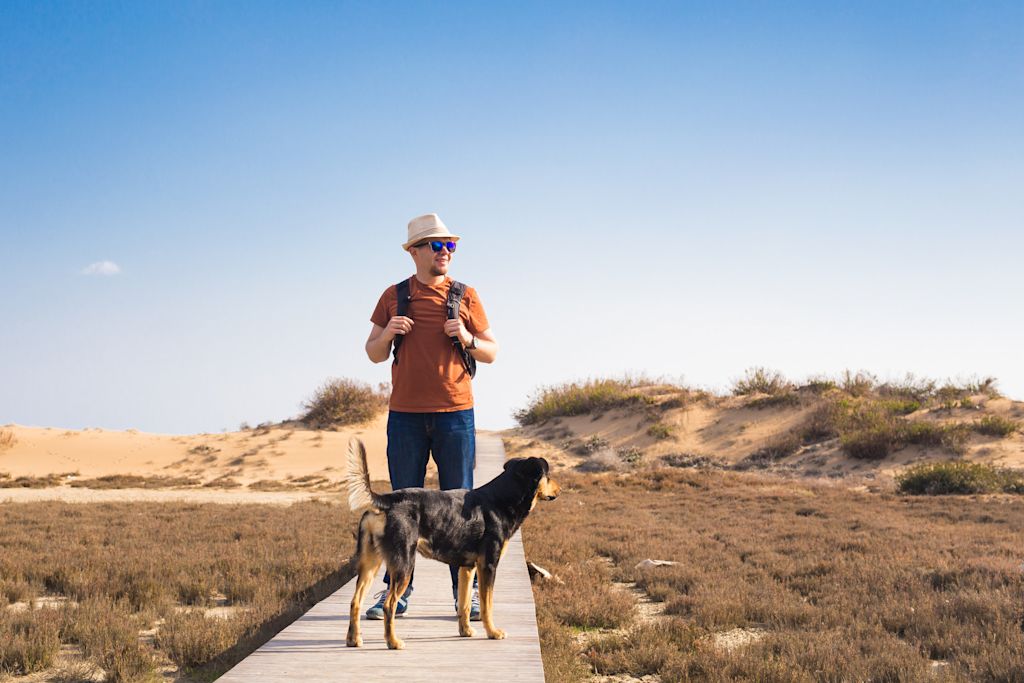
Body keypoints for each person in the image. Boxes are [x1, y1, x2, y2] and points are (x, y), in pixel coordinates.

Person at [363, 213, 498, 621]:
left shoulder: (465, 294)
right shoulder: (394, 295)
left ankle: (468, 596)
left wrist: (468, 337)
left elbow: (491, 351)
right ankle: (397, 593)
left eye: (450, 246)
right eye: (437, 246)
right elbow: (372, 352)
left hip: (456, 413)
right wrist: (388, 332)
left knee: (463, 505)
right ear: (415, 252)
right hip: (404, 415)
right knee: (403, 508)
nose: (445, 253)